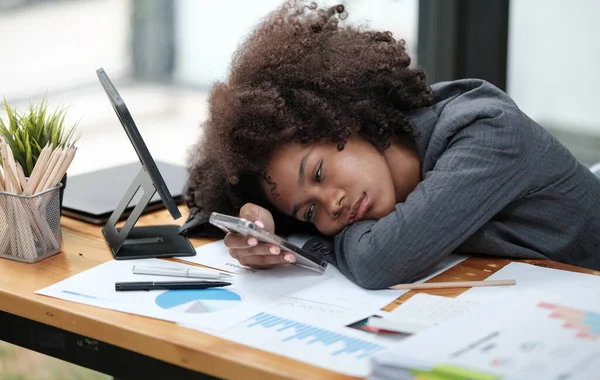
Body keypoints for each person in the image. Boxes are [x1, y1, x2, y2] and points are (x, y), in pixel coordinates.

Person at [184, 1, 600, 289]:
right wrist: (262, 224)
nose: (333, 204)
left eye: (318, 173)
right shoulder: (378, 179)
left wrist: (303, 241)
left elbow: (378, 261)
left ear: (348, 118)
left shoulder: (486, 133)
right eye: (309, 211)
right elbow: (202, 213)